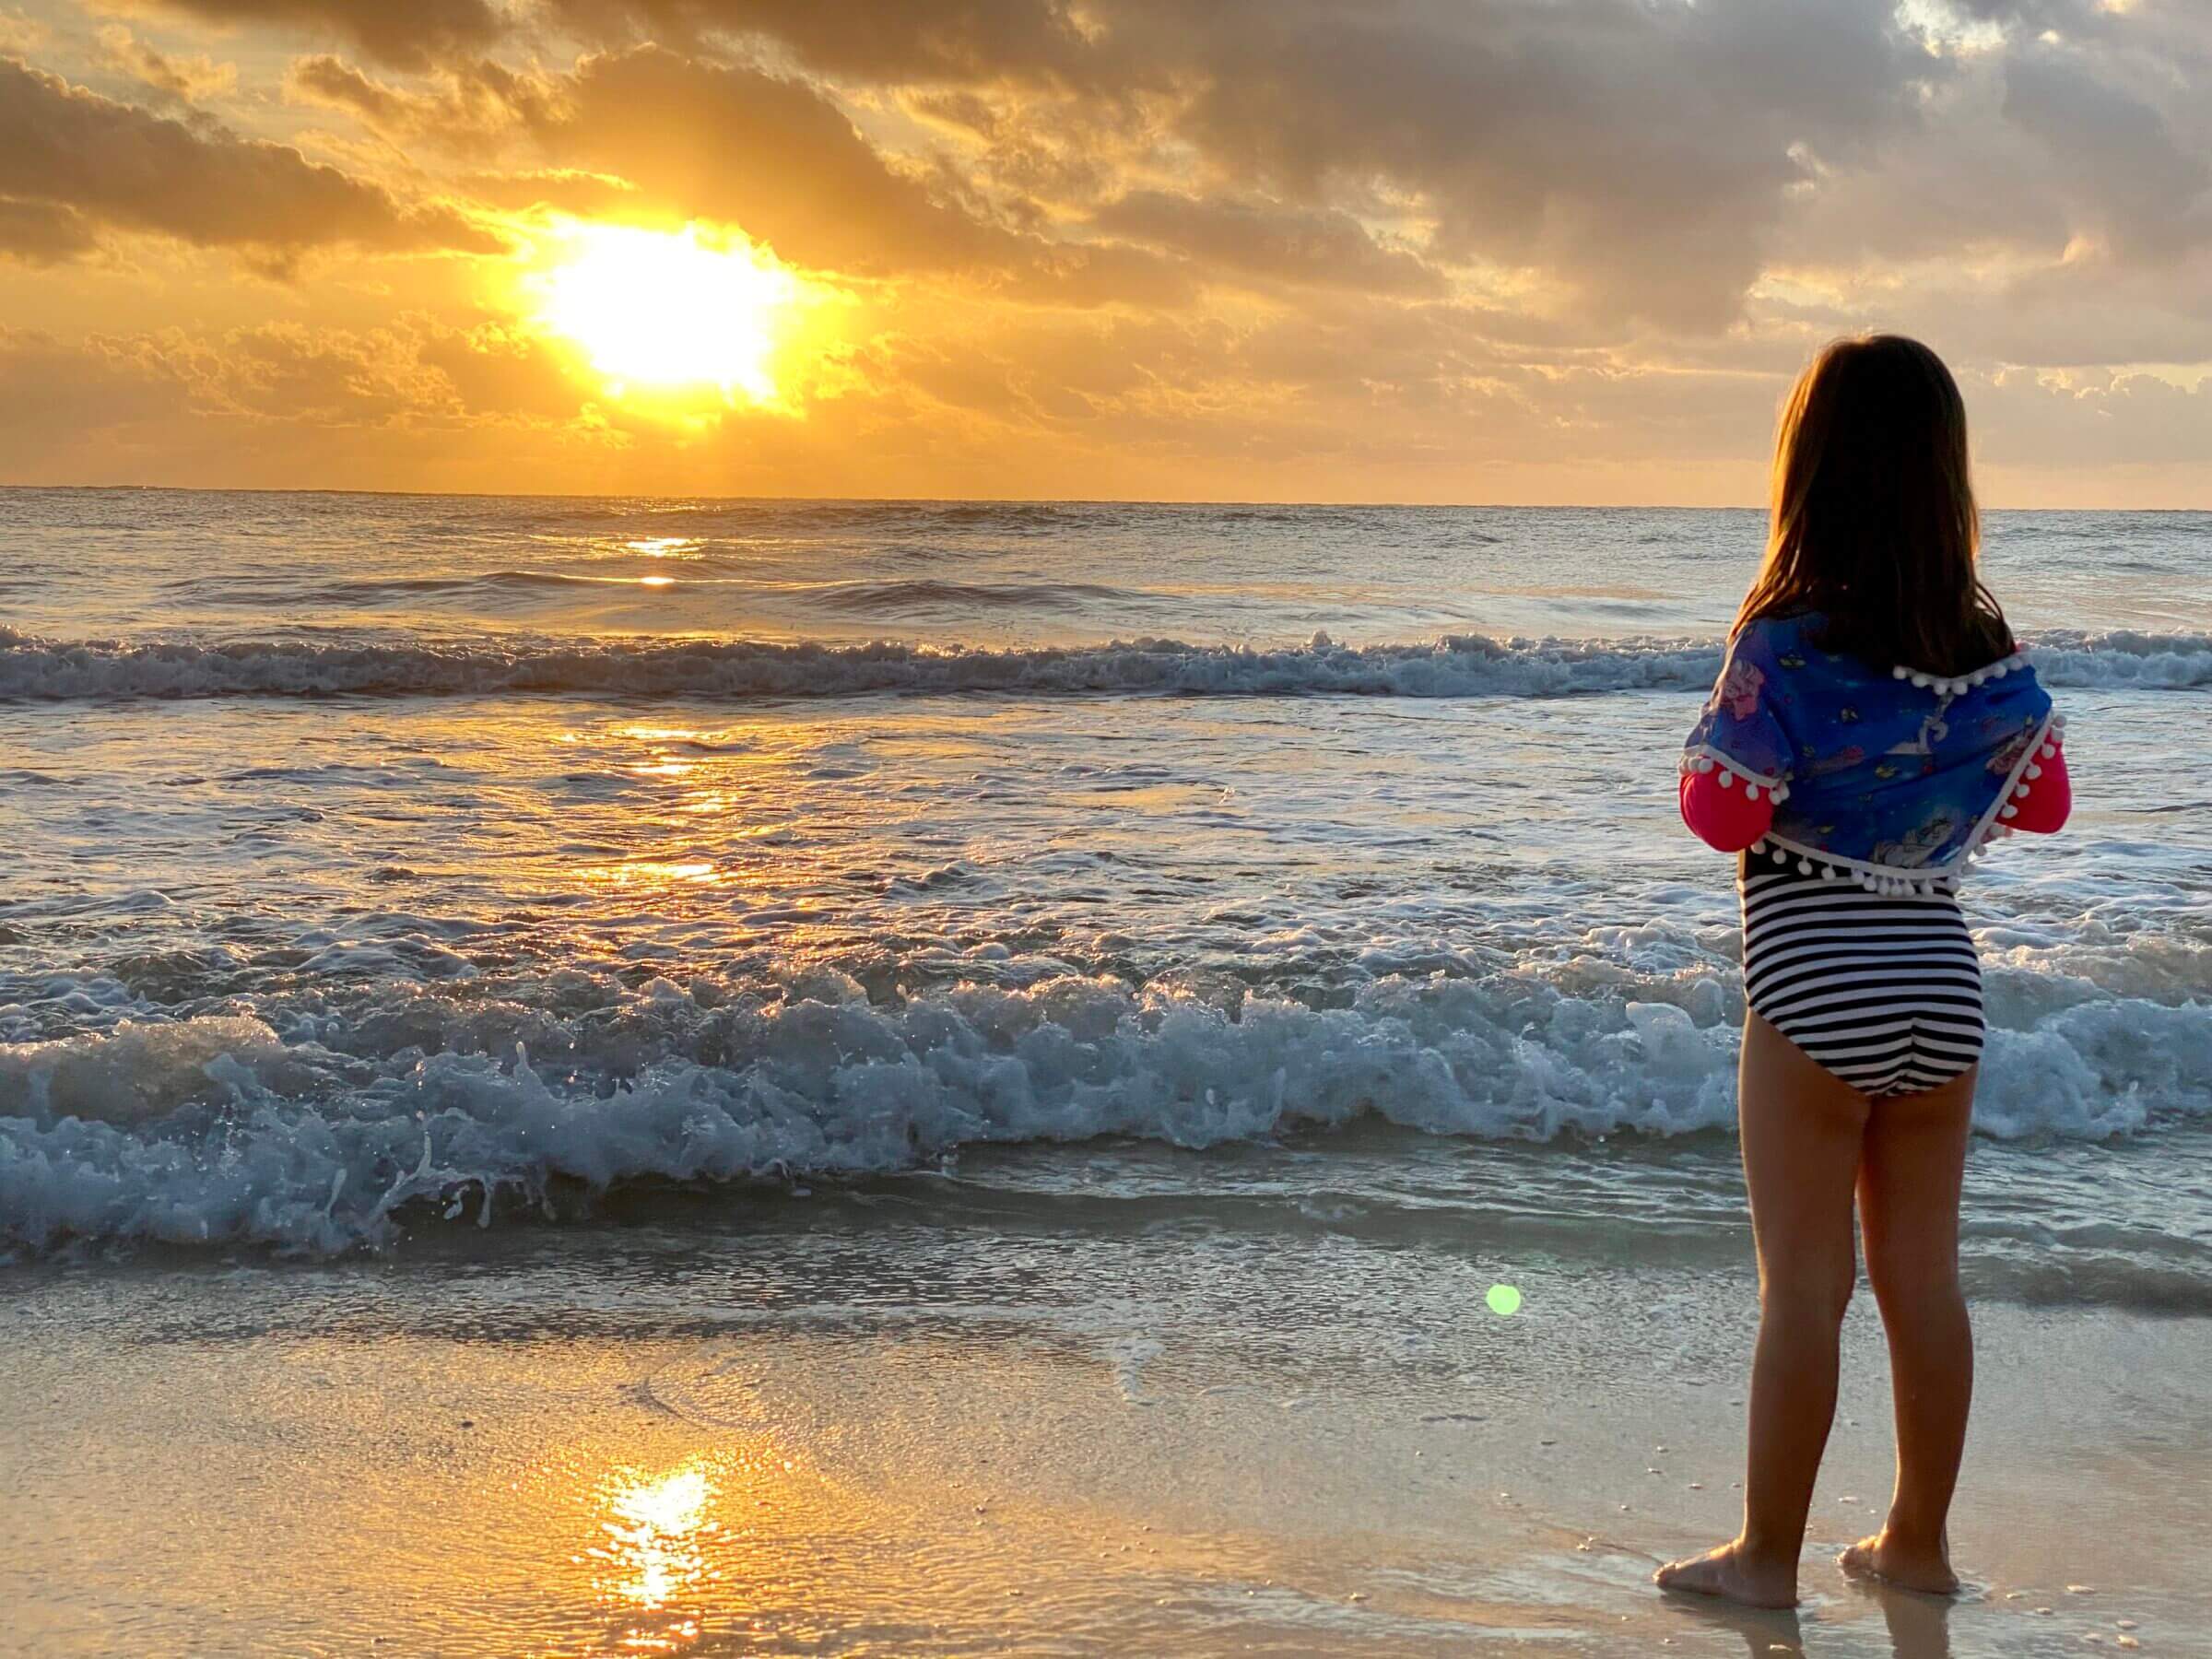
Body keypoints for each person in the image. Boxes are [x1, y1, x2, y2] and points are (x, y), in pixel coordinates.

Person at [1654, 335, 2072, 1608]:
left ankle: (1767, 1559)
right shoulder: (1980, 642)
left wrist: (1753, 750)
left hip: (1813, 982)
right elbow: (2043, 800)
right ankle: (1918, 1546)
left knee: (1806, 1288)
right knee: (1923, 1281)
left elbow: (1722, 816)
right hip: (1939, 979)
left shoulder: (1782, 640)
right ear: (1947, 480)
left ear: (1809, 474)